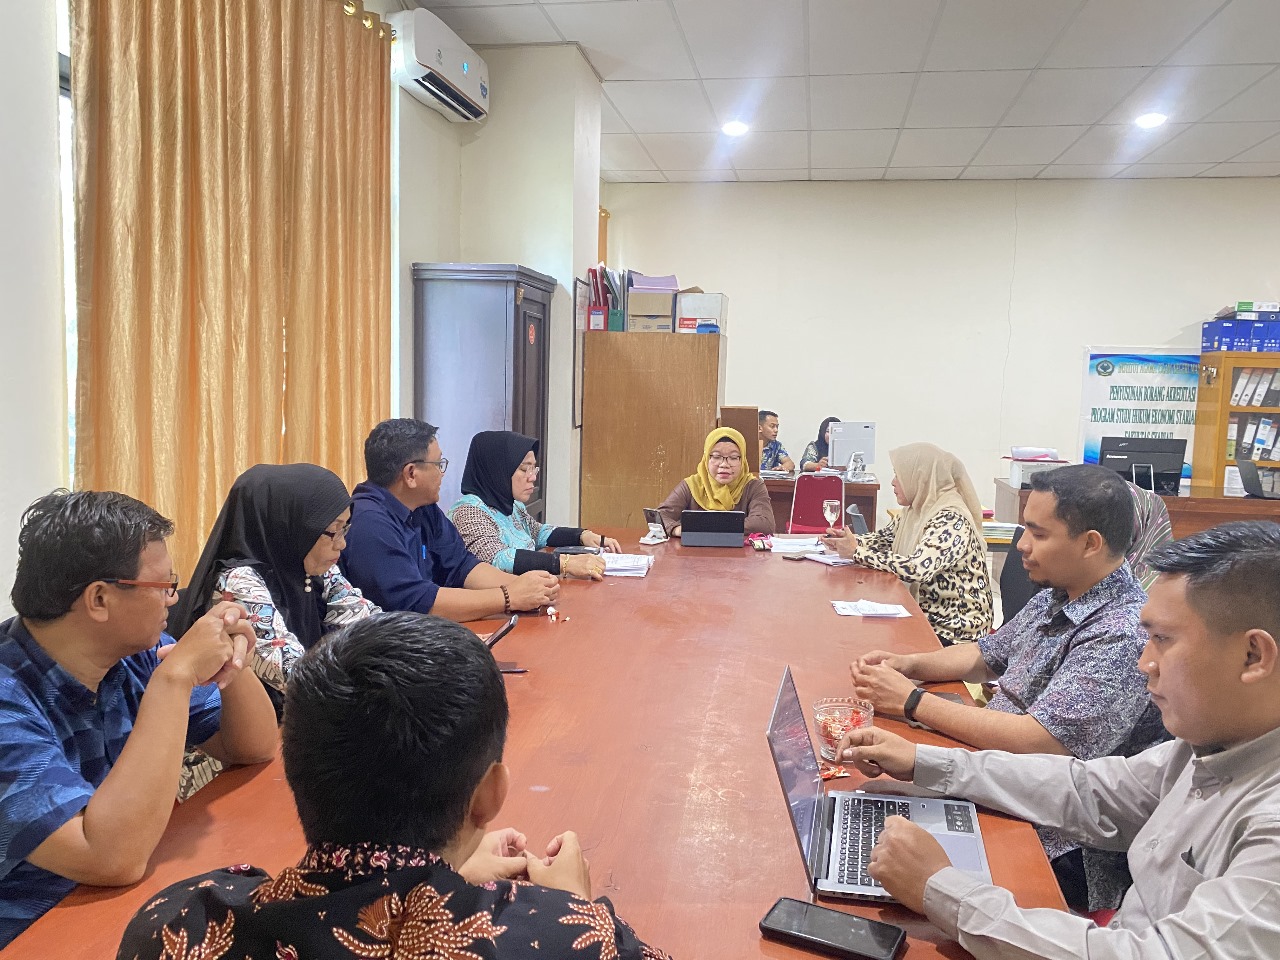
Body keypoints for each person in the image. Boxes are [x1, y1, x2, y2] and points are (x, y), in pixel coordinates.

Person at [837, 520, 1280, 959]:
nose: (1145, 662)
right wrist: (923, 761)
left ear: (1252, 656)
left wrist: (941, 889)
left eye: (1162, 639)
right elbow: (1088, 790)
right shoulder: (1208, 745)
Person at [116, 612, 672, 960]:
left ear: (299, 769)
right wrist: (569, 909)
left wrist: (432, 876)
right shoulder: (568, 938)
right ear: (490, 795)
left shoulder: (178, 924)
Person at [846, 464, 1167, 912]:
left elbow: (1042, 743)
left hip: (1055, 838)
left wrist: (913, 701)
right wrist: (908, 664)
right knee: (861, 806)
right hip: (995, 772)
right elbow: (987, 654)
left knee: (878, 860)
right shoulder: (1062, 592)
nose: (1022, 545)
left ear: (1090, 543)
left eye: (1038, 533)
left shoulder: (1121, 632)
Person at [0, 491, 277, 948]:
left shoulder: (135, 653)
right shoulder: (9, 700)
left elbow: (252, 747)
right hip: (36, 933)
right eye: (163, 585)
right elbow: (109, 858)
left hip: (123, 903)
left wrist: (232, 658)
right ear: (99, 599)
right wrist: (175, 679)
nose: (174, 598)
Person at [168, 463, 378, 698]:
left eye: (345, 528)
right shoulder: (238, 582)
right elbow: (296, 676)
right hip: (265, 714)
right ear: (289, 526)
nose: (342, 544)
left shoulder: (316, 567)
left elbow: (374, 627)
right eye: (333, 531)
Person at [342, 419, 559, 621]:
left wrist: (527, 587)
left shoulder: (422, 507)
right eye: (438, 464)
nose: (442, 473)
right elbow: (417, 603)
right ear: (411, 474)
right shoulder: (368, 523)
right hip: (394, 638)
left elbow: (461, 565)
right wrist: (508, 597)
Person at [823, 443, 993, 645]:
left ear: (919, 477)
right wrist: (848, 541)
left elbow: (917, 569)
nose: (893, 482)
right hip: (926, 615)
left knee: (866, 642)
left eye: (899, 475)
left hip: (953, 629)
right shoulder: (917, 509)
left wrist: (856, 552)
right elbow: (885, 539)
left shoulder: (950, 518)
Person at [449, 431, 620, 581]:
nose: (532, 477)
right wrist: (565, 563)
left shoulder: (512, 506)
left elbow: (538, 533)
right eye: (524, 469)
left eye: (533, 469)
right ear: (497, 470)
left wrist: (582, 535)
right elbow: (497, 559)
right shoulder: (469, 512)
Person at [656, 427, 775, 537]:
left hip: (739, 551)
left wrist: (702, 527)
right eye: (716, 457)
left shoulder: (753, 486)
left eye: (733, 457)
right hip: (696, 551)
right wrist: (676, 529)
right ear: (706, 459)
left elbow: (764, 523)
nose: (724, 464)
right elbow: (659, 516)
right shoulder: (692, 485)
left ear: (742, 460)